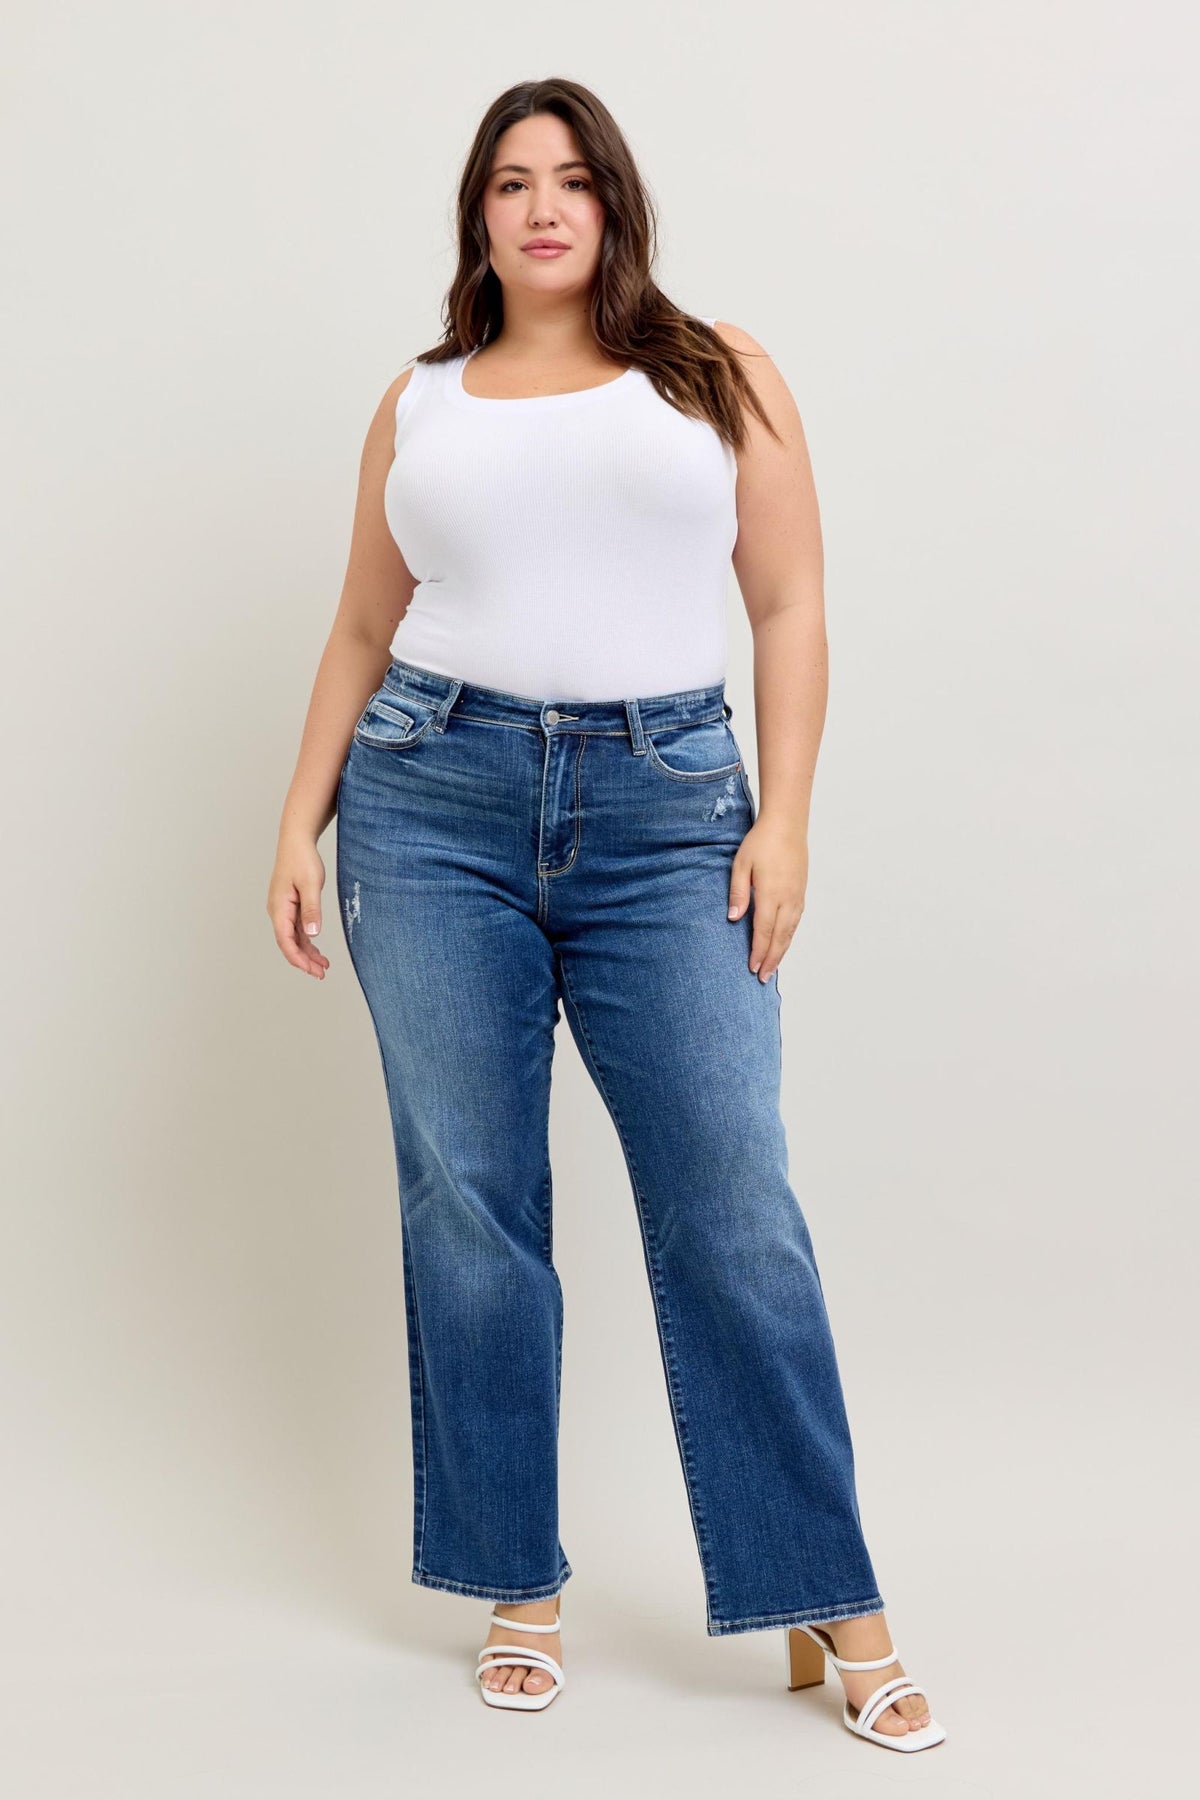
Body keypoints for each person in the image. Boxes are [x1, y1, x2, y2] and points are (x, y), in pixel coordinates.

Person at [267, 78, 944, 1752]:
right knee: (472, 1202)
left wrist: (783, 820)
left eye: (571, 180)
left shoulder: (713, 371)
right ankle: (517, 1580)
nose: (543, 207)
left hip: (668, 815)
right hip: (429, 808)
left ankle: (828, 1596)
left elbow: (787, 603)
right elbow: (364, 629)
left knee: (732, 1202)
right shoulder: (419, 404)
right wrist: (297, 822)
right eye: (511, 183)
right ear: (478, 217)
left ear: (615, 204)